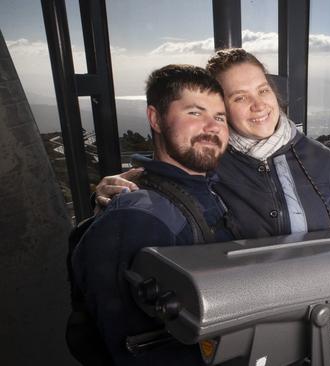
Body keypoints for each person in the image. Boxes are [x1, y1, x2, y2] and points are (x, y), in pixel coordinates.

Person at [96, 48, 330, 239]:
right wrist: (108, 197)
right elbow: (165, 188)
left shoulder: (320, 159)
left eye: (262, 90)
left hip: (324, 308)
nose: (259, 105)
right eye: (240, 98)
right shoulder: (206, 162)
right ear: (221, 109)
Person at [72, 64, 232, 365]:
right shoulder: (137, 218)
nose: (212, 127)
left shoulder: (214, 190)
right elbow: (136, 348)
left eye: (220, 117)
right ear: (155, 118)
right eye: (195, 113)